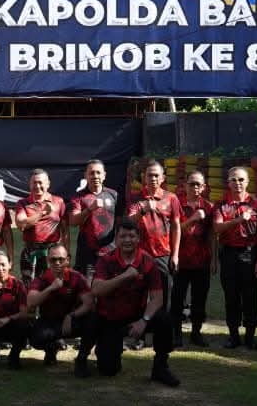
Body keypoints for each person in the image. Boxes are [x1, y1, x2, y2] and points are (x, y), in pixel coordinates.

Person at [76, 220, 176, 385]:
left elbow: (157, 298)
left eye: (132, 236)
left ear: (138, 239)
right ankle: (83, 357)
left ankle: (161, 367)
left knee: (164, 318)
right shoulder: (106, 260)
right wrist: (124, 276)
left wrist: (144, 321)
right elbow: (96, 290)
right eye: (123, 236)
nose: (127, 240)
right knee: (108, 370)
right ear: (116, 239)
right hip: (110, 318)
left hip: (136, 316)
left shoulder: (147, 261)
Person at [125, 159, 181, 350]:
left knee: (164, 298)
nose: (153, 178)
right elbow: (129, 222)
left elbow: (176, 226)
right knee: (138, 297)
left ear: (163, 178)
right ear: (144, 177)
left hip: (163, 255)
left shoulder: (171, 198)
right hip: (139, 255)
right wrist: (143, 209)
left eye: (157, 175)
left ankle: (162, 337)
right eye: (149, 175)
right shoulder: (135, 198)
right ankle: (139, 336)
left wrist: (175, 255)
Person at [213, 166, 257, 350]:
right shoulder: (221, 204)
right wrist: (238, 220)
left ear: (248, 181)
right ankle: (233, 336)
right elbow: (217, 228)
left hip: (250, 253)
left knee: (250, 296)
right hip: (229, 253)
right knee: (231, 296)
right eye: (234, 180)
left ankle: (250, 337)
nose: (238, 183)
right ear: (228, 183)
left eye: (241, 179)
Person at [27, 243, 93, 365]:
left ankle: (82, 358)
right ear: (48, 261)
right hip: (49, 321)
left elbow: (89, 303)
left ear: (68, 260)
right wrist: (50, 288)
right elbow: (31, 303)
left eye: (61, 259)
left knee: (93, 321)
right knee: (35, 338)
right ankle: (51, 349)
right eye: (53, 259)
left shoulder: (77, 277)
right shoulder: (41, 279)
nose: (57, 263)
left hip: (72, 320)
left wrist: (72, 315)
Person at [172, 170, 216, 348]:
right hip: (180, 259)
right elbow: (173, 230)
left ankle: (196, 333)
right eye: (192, 184)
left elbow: (212, 235)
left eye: (198, 184)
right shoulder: (176, 203)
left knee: (200, 299)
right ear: (185, 185)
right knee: (177, 299)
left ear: (204, 187)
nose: (195, 187)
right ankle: (176, 334)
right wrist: (193, 219)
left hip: (201, 260)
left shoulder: (209, 207)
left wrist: (214, 259)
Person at [13, 168, 67, 283]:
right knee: (29, 286)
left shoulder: (58, 202)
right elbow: (21, 225)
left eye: (40, 182)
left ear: (48, 184)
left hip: (52, 252)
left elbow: (65, 230)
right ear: (30, 184)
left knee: (53, 283)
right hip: (30, 252)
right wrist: (43, 213)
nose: (37, 186)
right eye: (34, 183)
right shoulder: (23, 203)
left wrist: (66, 253)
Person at [67, 159, 119, 278]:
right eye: (91, 173)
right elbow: (73, 221)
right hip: (87, 253)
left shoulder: (114, 195)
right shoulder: (78, 197)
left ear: (104, 175)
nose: (95, 176)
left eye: (98, 173)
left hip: (110, 251)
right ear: (85, 175)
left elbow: (120, 222)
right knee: (87, 286)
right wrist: (89, 209)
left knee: (110, 285)